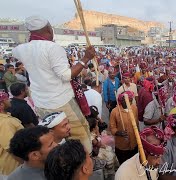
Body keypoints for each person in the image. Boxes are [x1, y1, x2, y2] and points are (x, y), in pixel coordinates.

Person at [12, 16, 95, 152]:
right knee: (80, 130)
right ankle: (85, 157)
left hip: (41, 102)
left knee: (54, 134)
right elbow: (66, 75)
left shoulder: (21, 49)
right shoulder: (53, 48)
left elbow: (18, 52)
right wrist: (85, 58)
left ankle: (60, 156)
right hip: (61, 101)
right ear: (49, 30)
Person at [109, 91, 138, 164]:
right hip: (122, 146)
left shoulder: (134, 108)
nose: (130, 103)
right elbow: (112, 128)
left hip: (134, 143)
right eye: (128, 101)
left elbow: (137, 123)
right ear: (122, 101)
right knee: (124, 164)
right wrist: (118, 132)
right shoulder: (115, 112)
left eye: (131, 100)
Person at [0, 91, 24, 176]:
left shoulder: (5, 118)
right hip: (15, 167)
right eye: (6, 99)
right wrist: (25, 164)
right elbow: (10, 148)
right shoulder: (5, 122)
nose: (10, 100)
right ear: (1, 105)